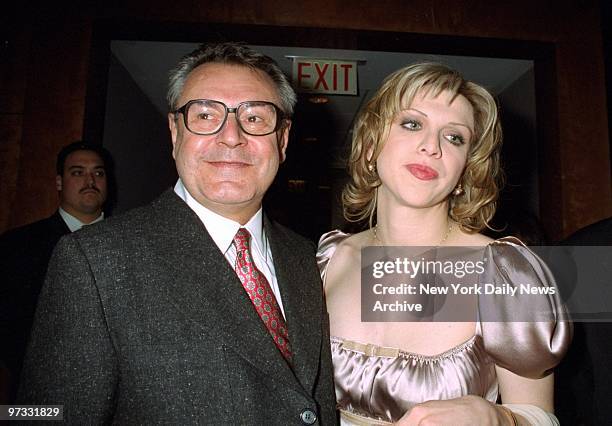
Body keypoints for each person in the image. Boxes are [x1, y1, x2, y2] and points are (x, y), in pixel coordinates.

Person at [18, 42, 337, 425]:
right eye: (204, 115)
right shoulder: (95, 261)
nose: (231, 136)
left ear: (282, 141)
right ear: (174, 132)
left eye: (254, 118)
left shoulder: (307, 258)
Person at [317, 63, 572, 425]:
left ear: (465, 170)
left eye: (454, 138)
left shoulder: (502, 274)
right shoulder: (328, 260)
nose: (431, 146)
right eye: (412, 124)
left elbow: (540, 417)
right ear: (371, 145)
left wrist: (497, 419)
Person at [0, 140, 109, 403]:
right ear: (59, 182)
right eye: (77, 172)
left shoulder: (134, 245)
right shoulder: (17, 246)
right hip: (40, 401)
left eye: (98, 172)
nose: (90, 180)